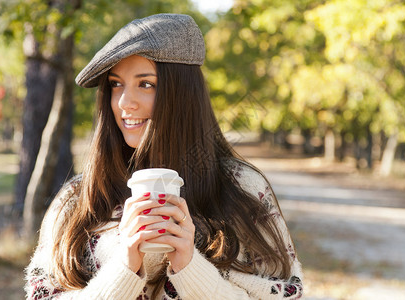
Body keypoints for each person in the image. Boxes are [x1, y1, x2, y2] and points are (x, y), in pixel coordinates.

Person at [24, 13, 303, 299]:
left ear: (183, 95)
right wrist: (124, 268)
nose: (124, 103)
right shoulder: (78, 198)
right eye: (116, 84)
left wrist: (190, 268)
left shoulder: (242, 187)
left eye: (145, 84)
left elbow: (285, 292)